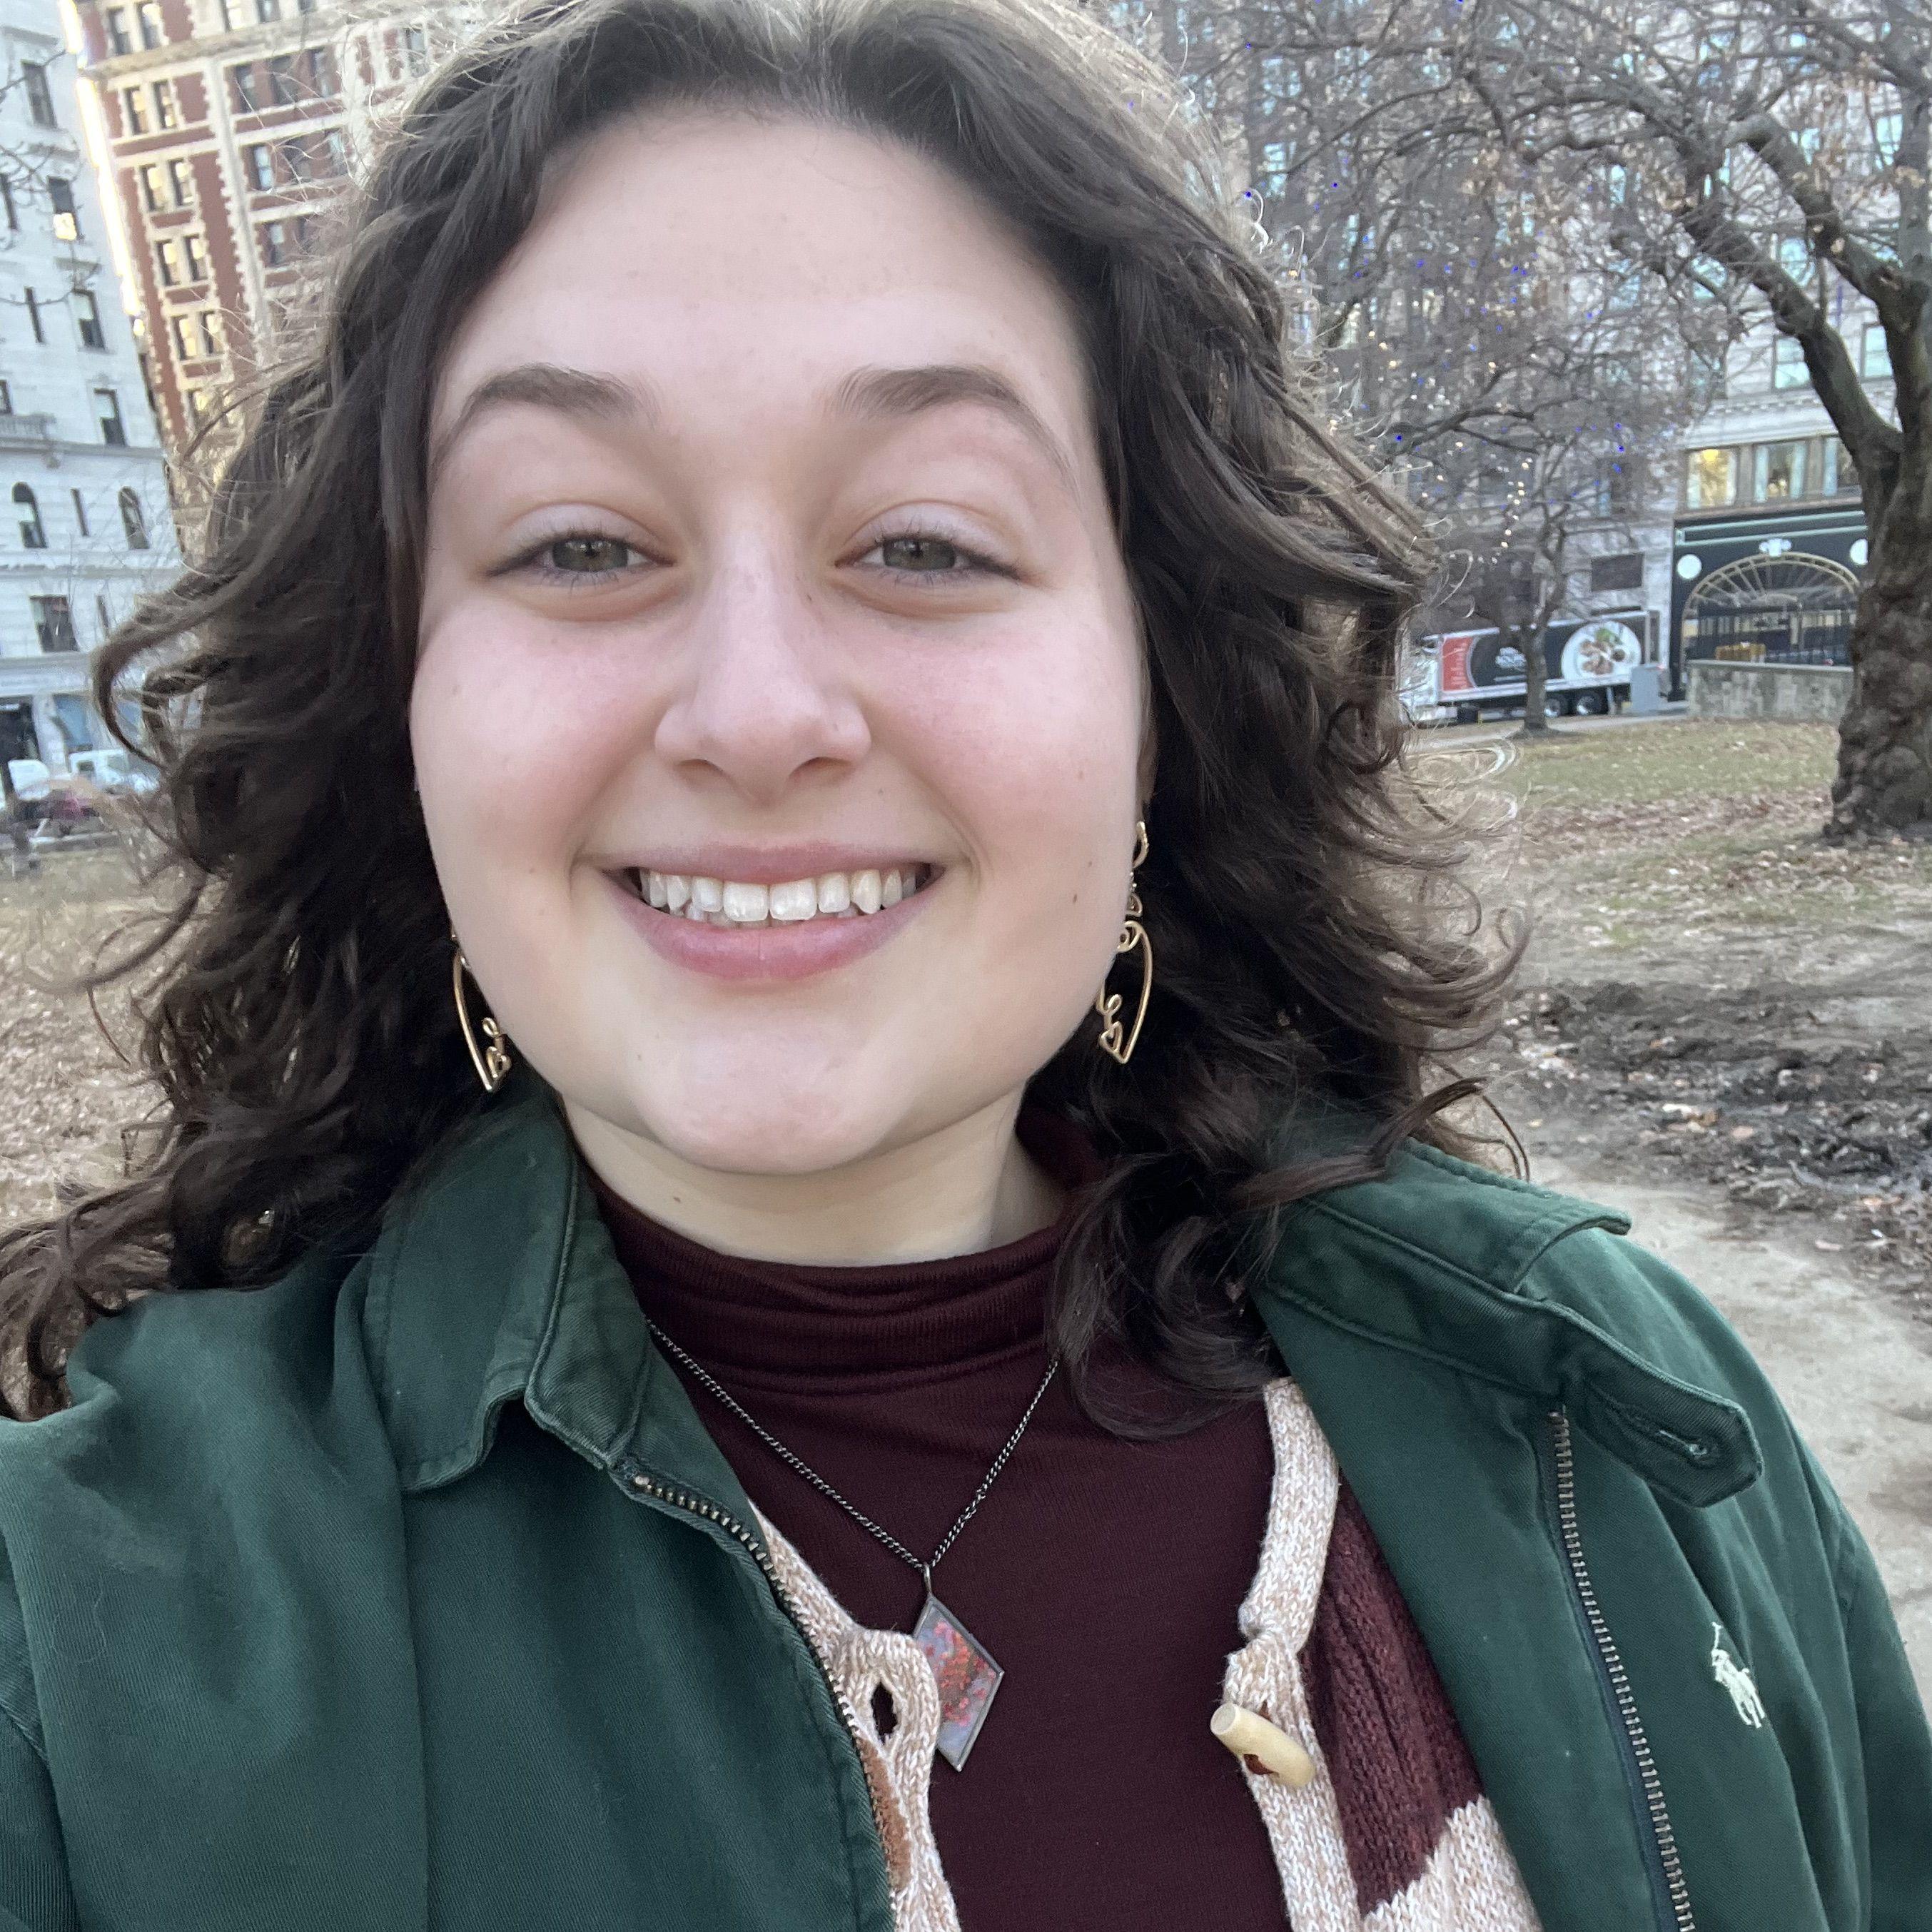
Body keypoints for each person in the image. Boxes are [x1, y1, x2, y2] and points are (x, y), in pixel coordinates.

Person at [0, 0, 1925, 1925]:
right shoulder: (79, 1646)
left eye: (925, 543)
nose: (757, 714)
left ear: (1160, 693)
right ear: (399, 710)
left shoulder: (1615, 1417)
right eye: (579, 546)